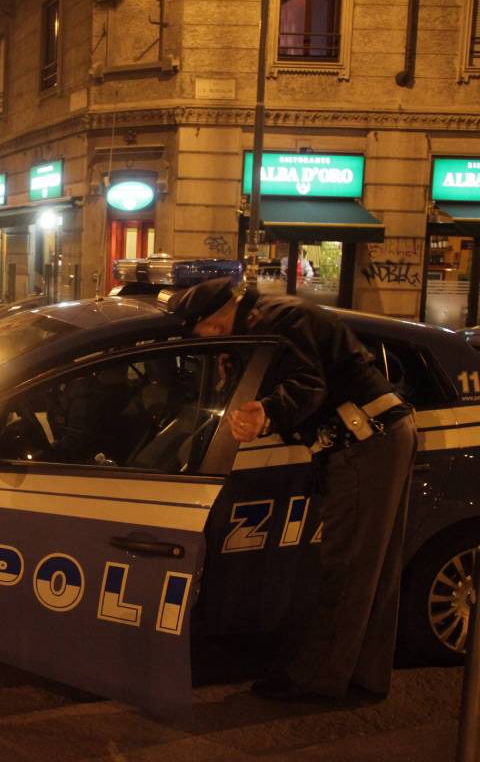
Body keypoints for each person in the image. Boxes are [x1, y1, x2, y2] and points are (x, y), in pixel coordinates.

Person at [169, 277, 417, 702]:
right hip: (372, 436)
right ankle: (361, 676)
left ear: (221, 313)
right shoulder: (266, 318)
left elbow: (307, 384)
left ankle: (315, 681)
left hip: (362, 442)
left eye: (207, 328)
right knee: (371, 572)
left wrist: (265, 414)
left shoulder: (277, 321)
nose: (208, 336)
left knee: (347, 569)